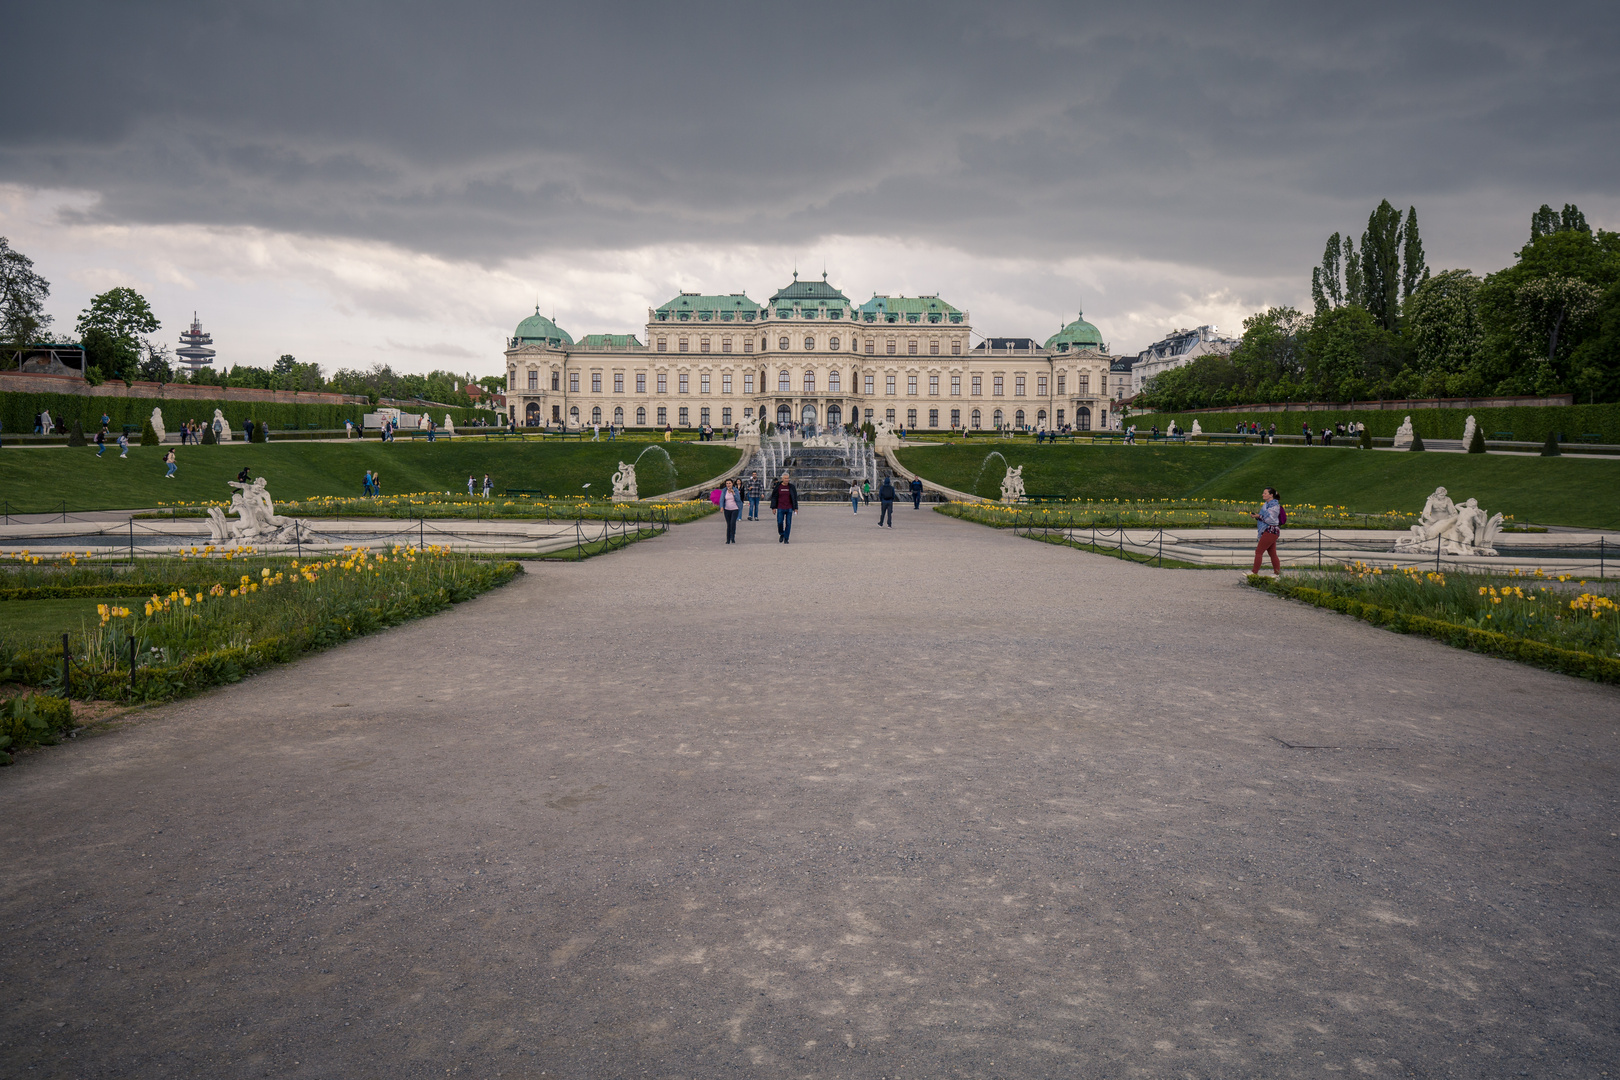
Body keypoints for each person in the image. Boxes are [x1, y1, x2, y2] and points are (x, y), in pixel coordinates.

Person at [1250, 486, 1283, 577]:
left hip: (1271, 530)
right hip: (1270, 531)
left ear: (1271, 495)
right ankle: (1277, 573)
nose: (1263, 495)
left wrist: (1258, 516)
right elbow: (1264, 516)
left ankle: (1254, 572)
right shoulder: (1267, 505)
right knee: (1272, 553)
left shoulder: (1274, 506)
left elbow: (1270, 519)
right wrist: (1257, 516)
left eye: (1265, 493)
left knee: (1259, 551)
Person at [770, 472, 799, 543]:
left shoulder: (791, 487)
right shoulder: (778, 486)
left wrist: (796, 508)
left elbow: (794, 498)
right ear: (782, 479)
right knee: (780, 522)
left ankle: (786, 538)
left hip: (789, 507)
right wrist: (773, 507)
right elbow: (774, 497)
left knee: (788, 523)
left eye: (787, 478)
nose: (786, 480)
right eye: (785, 478)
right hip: (780, 507)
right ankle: (782, 534)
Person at [721, 479, 741, 544]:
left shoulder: (735, 490)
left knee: (732, 523)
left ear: (732, 484)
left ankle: (733, 537)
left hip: (735, 509)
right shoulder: (724, 491)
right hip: (727, 509)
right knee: (728, 524)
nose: (728, 485)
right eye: (727, 483)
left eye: (729, 483)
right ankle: (728, 539)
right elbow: (721, 499)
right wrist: (721, 507)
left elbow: (738, 499)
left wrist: (733, 493)